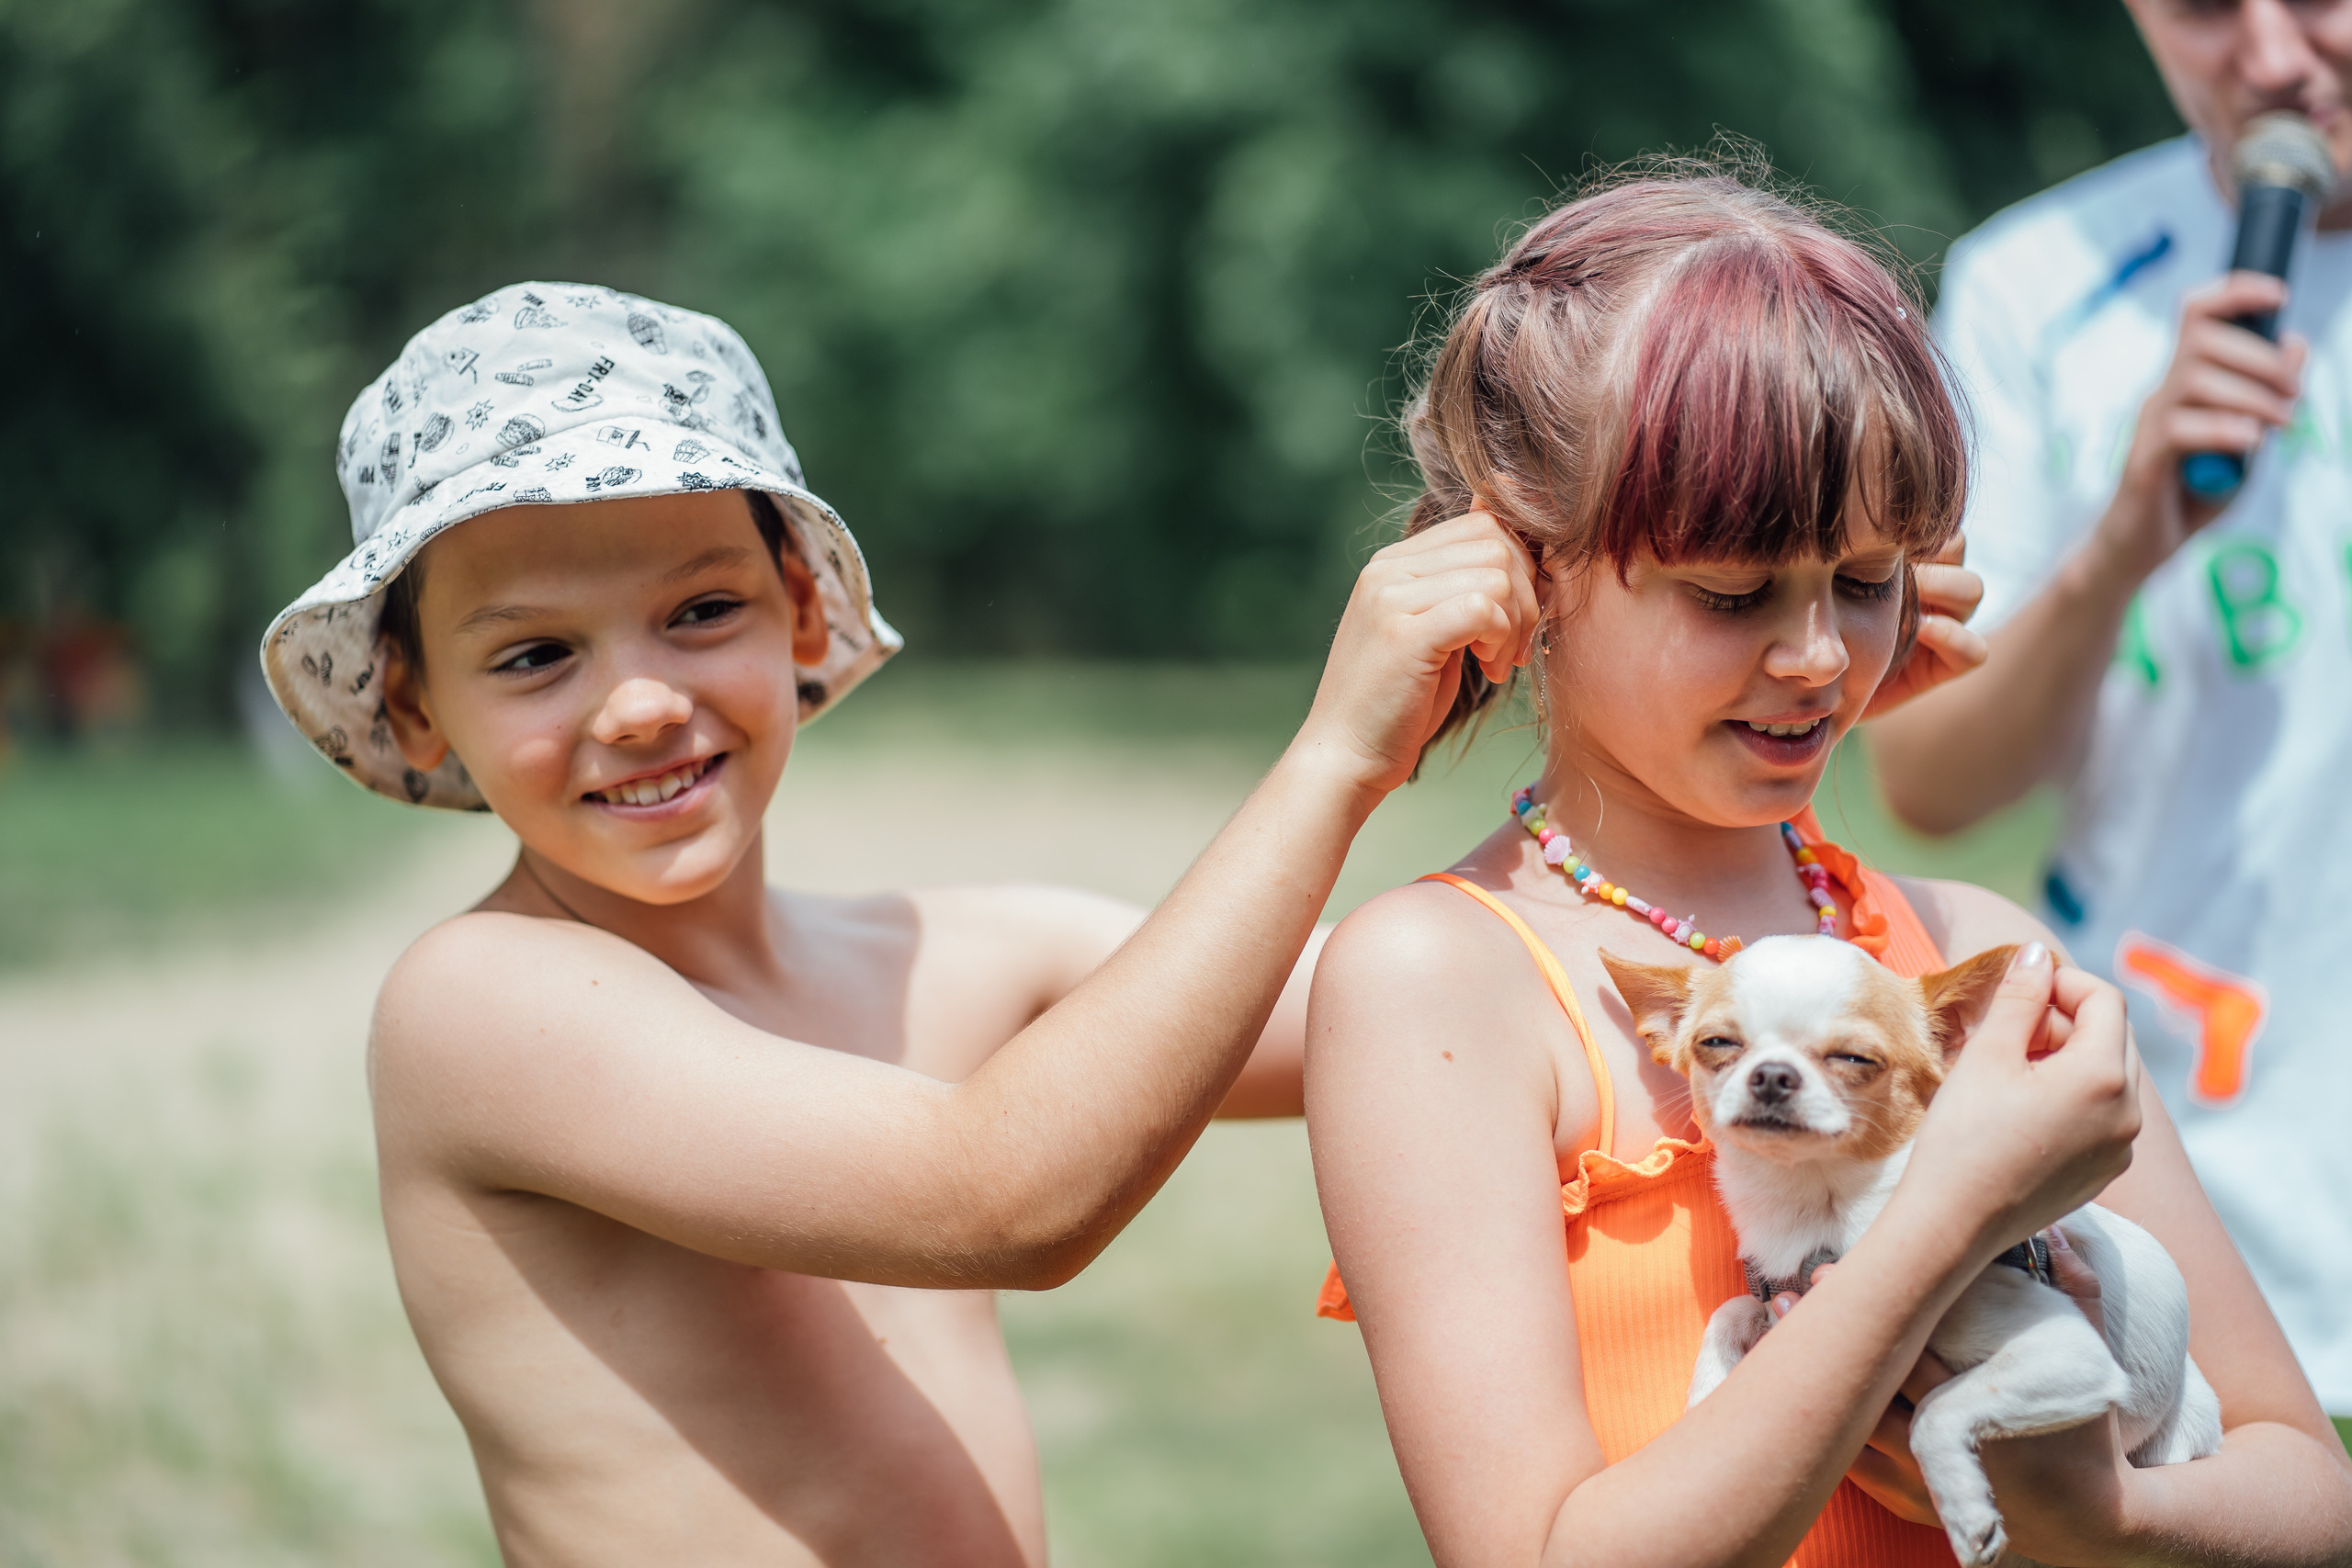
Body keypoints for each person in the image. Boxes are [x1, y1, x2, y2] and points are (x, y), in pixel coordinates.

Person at [259, 281, 1542, 1565]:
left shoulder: (962, 961)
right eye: (535, 655)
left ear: (801, 610)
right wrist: (1334, 759)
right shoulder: (477, 1005)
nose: (641, 704)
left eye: (701, 612)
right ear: (417, 705)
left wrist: (1609, 639)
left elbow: (1451, 1006)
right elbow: (1005, 1202)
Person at [1304, 170, 2352, 1566]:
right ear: (1526, 564)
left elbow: (2309, 1486)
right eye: (1734, 593)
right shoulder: (1443, 984)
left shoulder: (1967, 960)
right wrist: (1948, 1216)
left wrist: (2104, 1513)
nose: (1816, 657)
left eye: (1866, 582)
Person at [1868, 0, 2352, 1432]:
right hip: (2201, 1205)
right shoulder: (2036, 287)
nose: (2272, 59)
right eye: (2202, 8)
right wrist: (2124, 534)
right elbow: (1931, 779)